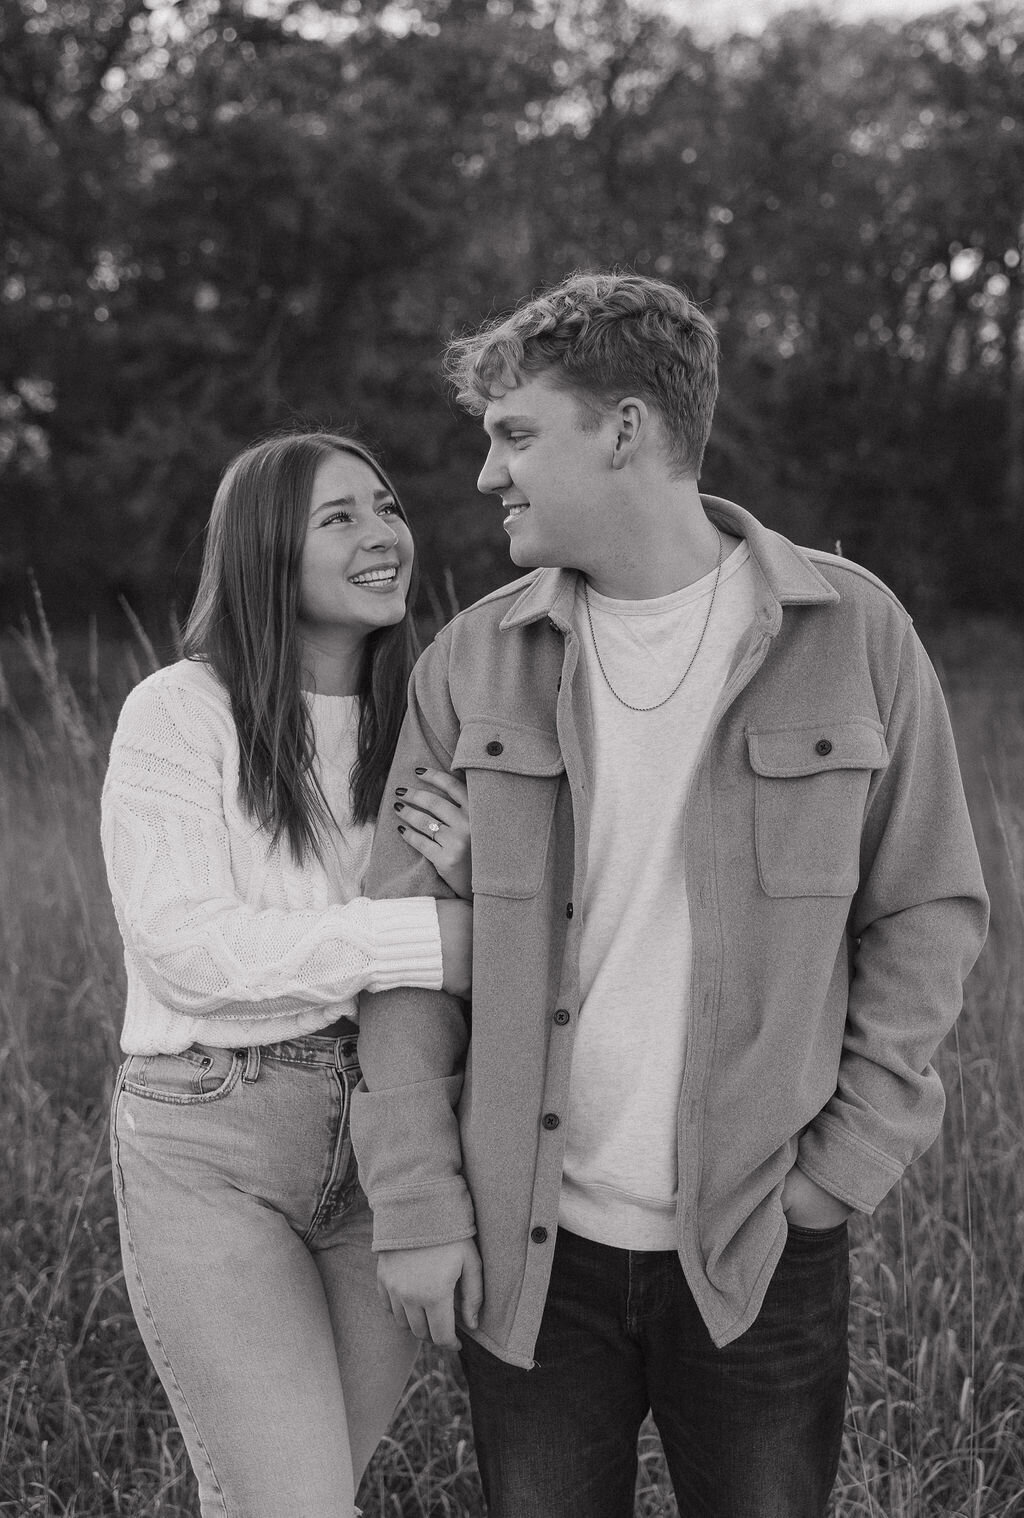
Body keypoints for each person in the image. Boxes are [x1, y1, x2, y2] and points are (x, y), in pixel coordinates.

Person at [350, 273, 990, 1517]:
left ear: (628, 429)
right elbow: (403, 954)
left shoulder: (852, 635)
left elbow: (927, 909)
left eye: (517, 433)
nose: (487, 475)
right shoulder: (471, 663)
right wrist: (419, 1201)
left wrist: (837, 1170)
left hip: (761, 1242)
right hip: (530, 1252)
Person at [102, 431, 473, 1518]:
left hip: (393, 1141)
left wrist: (480, 882)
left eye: (387, 506)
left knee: (292, 1497)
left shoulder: (437, 722)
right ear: (268, 551)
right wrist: (428, 937)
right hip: (211, 1135)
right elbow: (188, 948)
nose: (381, 535)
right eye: (339, 517)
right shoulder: (179, 711)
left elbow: (534, 938)